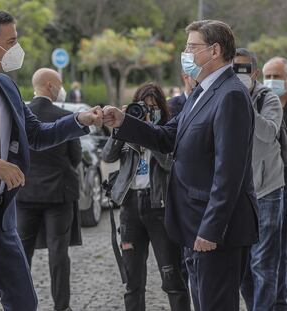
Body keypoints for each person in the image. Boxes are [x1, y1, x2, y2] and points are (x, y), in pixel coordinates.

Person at [102, 20, 258, 311]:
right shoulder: (202, 91)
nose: (185, 53)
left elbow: (229, 172)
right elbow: (167, 137)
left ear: (214, 51)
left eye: (191, 47)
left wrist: (211, 230)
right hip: (192, 224)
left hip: (215, 231)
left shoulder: (231, 94)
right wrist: (124, 122)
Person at [0, 9, 103, 311]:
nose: (18, 49)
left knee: (24, 301)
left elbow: (37, 135)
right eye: (11, 41)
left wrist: (80, 119)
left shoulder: (8, 86)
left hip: (4, 215)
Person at [102, 82, 191, 311]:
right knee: (133, 281)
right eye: (144, 107)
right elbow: (108, 155)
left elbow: (170, 164)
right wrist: (122, 126)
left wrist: (150, 133)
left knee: (172, 277)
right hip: (130, 206)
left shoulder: (168, 131)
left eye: (154, 107)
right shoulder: (128, 127)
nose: (149, 111)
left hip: (159, 205)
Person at [16, 68, 82, 311]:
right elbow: (75, 157)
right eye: (60, 84)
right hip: (59, 193)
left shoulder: (20, 116)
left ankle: (20, 304)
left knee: (22, 253)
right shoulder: (65, 116)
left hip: (24, 193)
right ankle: (61, 306)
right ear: (51, 87)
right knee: (58, 251)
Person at [233, 48, 285, 311]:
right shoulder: (224, 97)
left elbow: (268, 134)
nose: (238, 74)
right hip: (237, 191)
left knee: (263, 262)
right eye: (234, 69)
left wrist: (245, 104)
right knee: (242, 266)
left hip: (268, 189)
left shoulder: (268, 99)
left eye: (243, 69)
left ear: (254, 72)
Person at [263, 56, 287, 309]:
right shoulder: (262, 109)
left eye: (276, 77)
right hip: (267, 191)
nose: (271, 82)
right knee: (268, 258)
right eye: (267, 76)